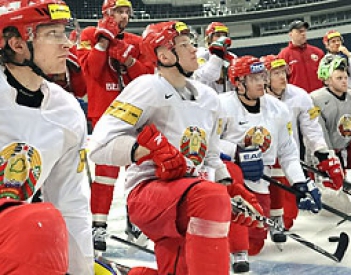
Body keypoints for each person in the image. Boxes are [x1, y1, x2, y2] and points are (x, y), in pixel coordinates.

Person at [88, 21, 264, 275]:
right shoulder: (148, 87)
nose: (194, 50)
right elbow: (99, 145)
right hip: (149, 193)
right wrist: (144, 149)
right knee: (210, 197)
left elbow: (211, 156)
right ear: (165, 55)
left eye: (191, 43)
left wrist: (231, 189)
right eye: (184, 45)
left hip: (190, 196)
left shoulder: (209, 99)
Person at [0, 0, 93, 274]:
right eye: (53, 34)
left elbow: (70, 201)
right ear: (17, 44)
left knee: (40, 222)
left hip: (13, 230)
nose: (67, 44)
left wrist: (82, 268)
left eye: (66, 33)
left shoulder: (66, 109)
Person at [219, 55, 322, 269]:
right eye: (253, 78)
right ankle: (230, 245)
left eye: (261, 76)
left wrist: (298, 182)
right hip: (227, 177)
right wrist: (236, 153)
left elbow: (287, 151)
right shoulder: (221, 107)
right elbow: (208, 145)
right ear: (238, 83)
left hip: (259, 177)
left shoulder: (277, 109)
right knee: (236, 217)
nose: (261, 82)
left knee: (255, 242)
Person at [77, 0, 155, 251]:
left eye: (126, 12)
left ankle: (138, 219)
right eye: (118, 12)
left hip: (135, 114)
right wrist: (102, 42)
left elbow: (147, 79)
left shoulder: (136, 41)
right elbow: (91, 73)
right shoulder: (89, 34)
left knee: (140, 170)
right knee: (106, 173)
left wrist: (129, 60)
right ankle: (98, 225)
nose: (123, 16)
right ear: (106, 13)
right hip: (105, 113)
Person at [261, 55, 344, 230]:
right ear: (265, 77)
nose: (282, 77)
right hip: (263, 161)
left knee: (288, 217)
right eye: (276, 73)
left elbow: (311, 128)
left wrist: (322, 153)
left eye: (283, 72)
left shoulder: (299, 95)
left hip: (289, 158)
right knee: (264, 211)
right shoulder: (257, 98)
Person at [310, 54, 351, 212]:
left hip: (348, 149)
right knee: (336, 203)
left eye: (345, 77)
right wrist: (328, 157)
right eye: (339, 78)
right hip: (326, 153)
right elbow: (316, 134)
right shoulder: (315, 99)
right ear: (327, 80)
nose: (344, 80)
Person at [278, 20, 324, 93]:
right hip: (298, 98)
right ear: (290, 34)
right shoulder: (283, 56)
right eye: (299, 31)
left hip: (319, 95)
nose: (303, 34)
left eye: (304, 31)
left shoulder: (318, 52)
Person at [194, 21, 236, 94]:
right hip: (206, 98)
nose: (222, 38)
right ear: (209, 39)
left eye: (224, 35)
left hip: (226, 98)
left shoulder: (232, 57)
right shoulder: (201, 54)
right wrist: (217, 55)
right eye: (218, 35)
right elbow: (208, 76)